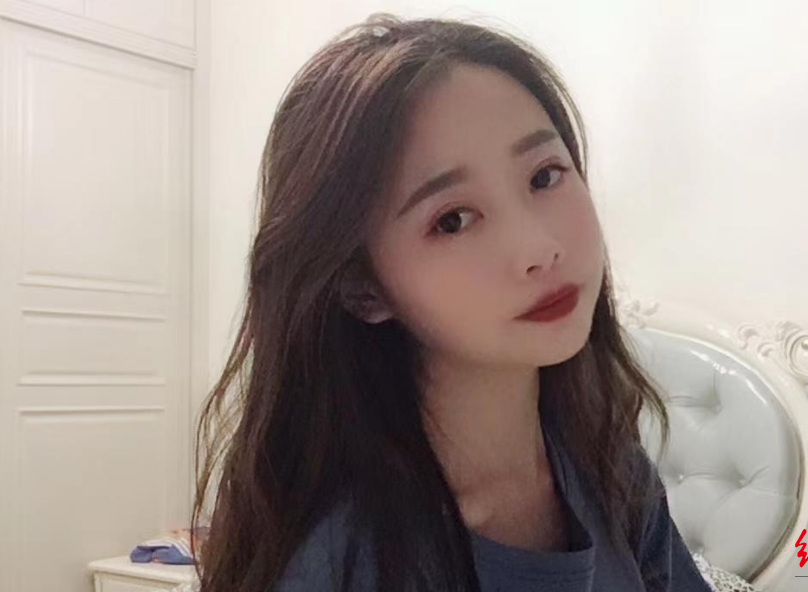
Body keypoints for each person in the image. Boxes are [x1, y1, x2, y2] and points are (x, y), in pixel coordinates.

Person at [192, 12, 714, 592]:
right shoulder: (345, 561)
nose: (539, 248)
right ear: (363, 288)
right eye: (453, 220)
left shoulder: (613, 475)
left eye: (544, 176)